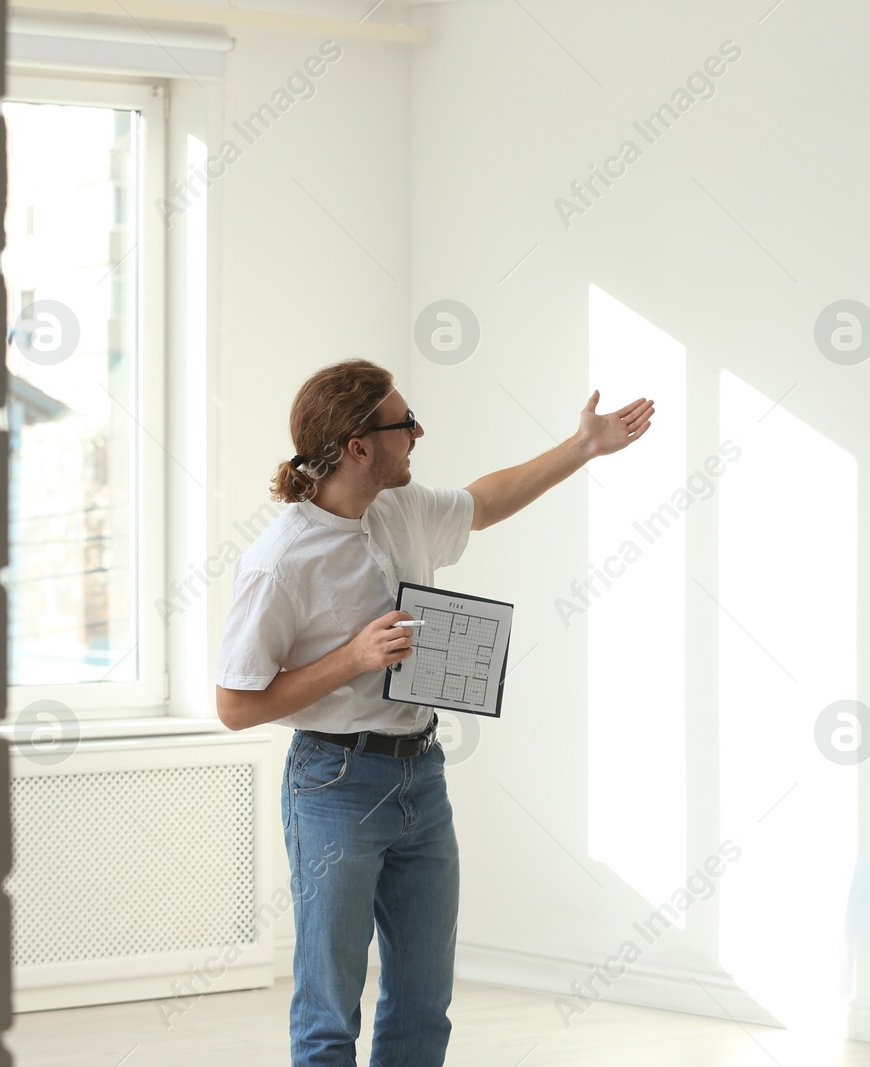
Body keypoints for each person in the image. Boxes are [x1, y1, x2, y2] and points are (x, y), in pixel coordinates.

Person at [213, 359, 653, 1066]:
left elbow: (484, 500)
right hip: (334, 783)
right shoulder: (280, 559)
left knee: (423, 1004)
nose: (419, 431)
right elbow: (234, 704)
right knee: (330, 1010)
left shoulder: (399, 507)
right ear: (359, 447)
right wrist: (350, 660)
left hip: (421, 775)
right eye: (403, 422)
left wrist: (582, 448)